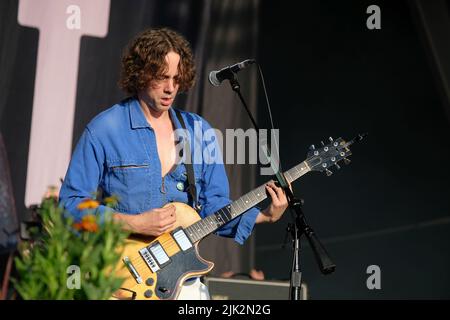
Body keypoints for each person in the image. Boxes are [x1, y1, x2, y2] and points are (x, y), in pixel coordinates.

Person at [59, 27, 288, 299]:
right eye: (161, 78)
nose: (170, 88)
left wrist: (265, 215)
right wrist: (133, 223)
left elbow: (215, 208)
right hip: (122, 281)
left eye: (176, 79)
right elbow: (69, 206)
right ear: (140, 74)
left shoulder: (198, 130)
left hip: (183, 281)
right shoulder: (105, 129)